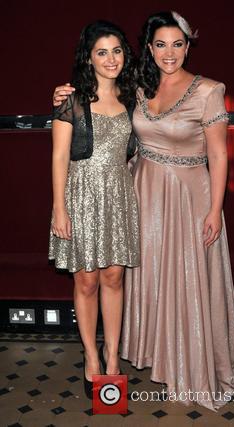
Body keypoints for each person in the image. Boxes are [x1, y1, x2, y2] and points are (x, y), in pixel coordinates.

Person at [52, 11, 234, 411]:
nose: (169, 53)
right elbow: (78, 128)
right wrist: (61, 95)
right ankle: (137, 355)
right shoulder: (140, 85)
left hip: (188, 198)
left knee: (170, 277)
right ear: (149, 48)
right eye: (160, 44)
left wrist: (215, 209)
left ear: (189, 45)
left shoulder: (208, 90)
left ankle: (183, 359)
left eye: (177, 44)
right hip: (141, 194)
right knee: (143, 277)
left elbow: (220, 153)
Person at [49, 20, 140, 399]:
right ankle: (90, 357)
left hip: (119, 194)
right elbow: (58, 158)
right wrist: (59, 210)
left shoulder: (134, 97)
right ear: (88, 58)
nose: (110, 59)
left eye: (116, 50)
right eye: (101, 52)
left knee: (114, 278)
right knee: (86, 280)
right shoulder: (70, 99)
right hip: (80, 194)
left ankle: (113, 357)